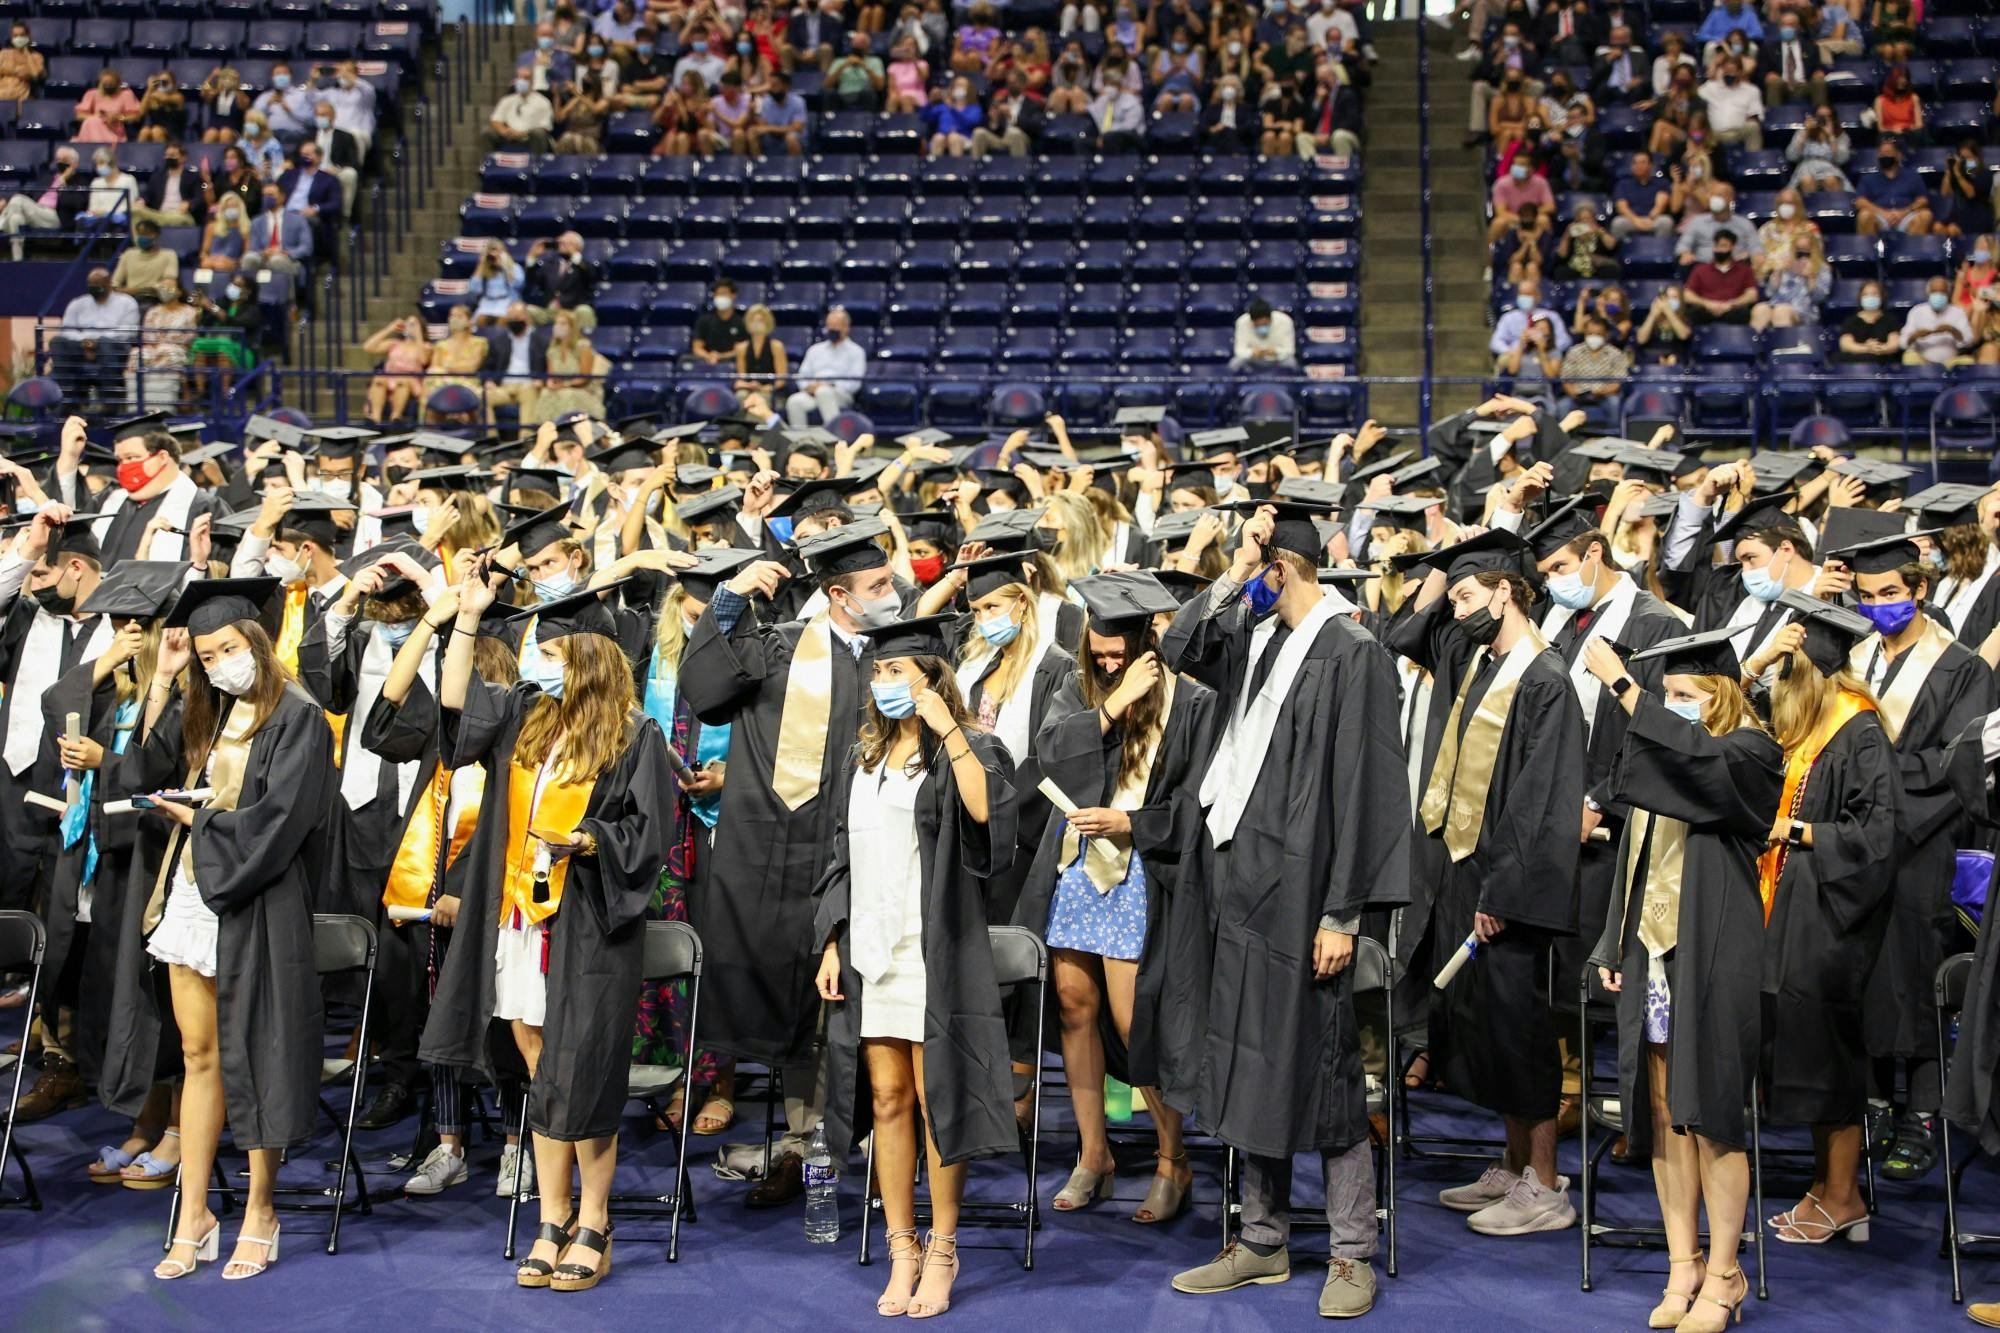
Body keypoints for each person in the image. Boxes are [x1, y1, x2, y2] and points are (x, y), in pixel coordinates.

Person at [1161, 502, 1412, 1317]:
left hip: (1308, 896)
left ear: (1290, 569)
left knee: (1326, 1065)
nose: (1255, 585)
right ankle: (1263, 1240)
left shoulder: (1353, 652)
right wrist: (1233, 569)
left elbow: (1369, 789)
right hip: (1240, 885)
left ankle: (1348, 1252)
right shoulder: (1259, 637)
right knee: (1248, 1062)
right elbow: (1180, 646)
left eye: (1264, 570)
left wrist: (1344, 913)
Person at [420, 575, 674, 1293]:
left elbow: (646, 833)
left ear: (588, 656)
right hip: (517, 919)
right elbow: (453, 705)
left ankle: (594, 1218)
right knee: (541, 1069)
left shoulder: (634, 733)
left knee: (578, 1072)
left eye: (553, 650)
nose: (540, 661)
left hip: (585, 926)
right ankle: (551, 1214)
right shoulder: (527, 716)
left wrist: (587, 840)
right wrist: (466, 622)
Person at [677, 520, 905, 1206]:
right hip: (785, 862)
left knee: (873, 1004)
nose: (891, 595)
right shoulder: (777, 649)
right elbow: (705, 689)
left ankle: (879, 1145)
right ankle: (813, 1147)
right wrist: (726, 603)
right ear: (838, 594)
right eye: (878, 586)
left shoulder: (900, 661)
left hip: (880, 858)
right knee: (810, 1011)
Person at [813, 613, 1016, 1319]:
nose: (884, 683)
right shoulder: (861, 755)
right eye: (879, 672)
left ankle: (944, 1247)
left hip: (934, 953)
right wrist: (832, 939)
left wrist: (949, 726)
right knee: (891, 1101)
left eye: (898, 672)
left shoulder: (969, 747)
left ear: (932, 678)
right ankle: (901, 1243)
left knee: (938, 1103)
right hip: (871, 951)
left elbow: (986, 812)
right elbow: (837, 851)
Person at [1583, 628, 1783, 1333]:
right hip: (1651, 951)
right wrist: (1613, 937)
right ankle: (1683, 1264)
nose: (1673, 707)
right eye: (1667, 695)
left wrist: (1625, 687)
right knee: (1665, 1111)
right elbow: (1635, 850)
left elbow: (1699, 764)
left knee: (1713, 1113)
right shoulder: (1663, 751)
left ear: (1721, 697)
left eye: (1686, 696)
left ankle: (1726, 1273)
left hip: (1714, 950)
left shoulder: (1752, 754)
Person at [1388, 529, 1585, 1238]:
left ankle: (1546, 1182)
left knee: (1521, 1032)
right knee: (1487, 1032)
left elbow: (1541, 803)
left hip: (1508, 891)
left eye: (1472, 594)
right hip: (1460, 874)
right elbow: (1405, 632)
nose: (1460, 609)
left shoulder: (1545, 680)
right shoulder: (1475, 660)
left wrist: (1501, 893)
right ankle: (1511, 1164)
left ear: (1508, 591)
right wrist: (1446, 568)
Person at [136, 577, 332, 1282]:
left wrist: (202, 822)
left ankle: (259, 1209)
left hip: (257, 897)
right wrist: (162, 684)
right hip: (192, 892)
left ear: (257, 641)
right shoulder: (209, 713)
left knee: (256, 1054)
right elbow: (145, 766)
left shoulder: (299, 716)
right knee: (198, 1054)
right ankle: (194, 1213)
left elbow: (284, 823)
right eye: (207, 654)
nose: (218, 662)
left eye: (228, 648)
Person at [1015, 571, 1215, 1220]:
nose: (1106, 663)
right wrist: (1109, 705)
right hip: (1075, 869)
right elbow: (1050, 756)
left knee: (1137, 1022)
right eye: (1098, 654)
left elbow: (1201, 801)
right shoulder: (1079, 689)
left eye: (1117, 656)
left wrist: (1134, 822)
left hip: (1141, 872)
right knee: (1074, 1005)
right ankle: (1093, 1152)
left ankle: (1170, 1157)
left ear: (1145, 643)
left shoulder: (1190, 700)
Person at [1736, 595, 1897, 1247]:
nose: (1777, 689)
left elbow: (1879, 834)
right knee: (1806, 1052)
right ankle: (1826, 1186)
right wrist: (1753, 663)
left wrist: (1795, 831)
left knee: (1832, 1058)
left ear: (1808, 676)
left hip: (1833, 925)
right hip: (1794, 916)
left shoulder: (1857, 731)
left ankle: (1844, 1195)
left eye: (1784, 675)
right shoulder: (1806, 729)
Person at [1838, 531, 1994, 1183]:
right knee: (1860, 971)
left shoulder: (1962, 667)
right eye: (1868, 596)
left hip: (1921, 846)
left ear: (1920, 589)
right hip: (1856, 848)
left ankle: (1923, 1111)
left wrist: (1887, 807)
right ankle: (1873, 1102)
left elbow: (1958, 764)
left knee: (1918, 972)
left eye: (1892, 594)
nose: (1880, 606)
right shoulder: (1852, 658)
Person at [52, 267, 141, 406]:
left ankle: (109, 403)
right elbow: (67, 329)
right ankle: (68, 402)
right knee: (57, 342)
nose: (95, 288)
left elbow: (127, 332)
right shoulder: (78, 303)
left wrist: (97, 342)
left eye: (98, 284)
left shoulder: (127, 303)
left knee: (106, 344)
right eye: (91, 285)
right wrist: (85, 342)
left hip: (115, 347)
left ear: (109, 283)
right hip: (81, 346)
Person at [785, 308, 866, 429]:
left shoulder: (856, 351)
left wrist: (830, 385)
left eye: (835, 326)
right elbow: (802, 375)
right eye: (829, 325)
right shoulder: (815, 350)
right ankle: (801, 440)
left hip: (840, 394)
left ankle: (836, 439)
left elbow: (855, 383)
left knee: (824, 392)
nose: (831, 329)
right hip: (812, 392)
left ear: (846, 328)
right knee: (794, 401)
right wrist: (808, 386)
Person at [0, 146, 83, 261]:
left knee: (18, 199)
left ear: (74, 164)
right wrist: (6, 201)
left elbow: (77, 203)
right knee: (15, 219)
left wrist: (62, 181)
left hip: (55, 217)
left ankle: (1, 224)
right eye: (58, 160)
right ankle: (17, 261)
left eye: (64, 160)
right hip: (36, 213)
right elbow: (28, 192)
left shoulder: (80, 182)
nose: (60, 163)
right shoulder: (48, 178)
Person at [1750, 231, 1830, 332]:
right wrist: (1778, 271)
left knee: (1782, 311)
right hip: (1776, 304)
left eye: (1805, 250)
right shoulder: (1786, 264)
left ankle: (1784, 346)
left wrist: (1810, 277)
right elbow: (1769, 292)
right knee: (1760, 309)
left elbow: (1819, 297)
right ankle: (1756, 346)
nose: (1802, 254)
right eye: (1798, 249)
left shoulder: (1822, 268)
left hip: (1803, 310)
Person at [535, 313, 605, 424]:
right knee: (545, 393)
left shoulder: (583, 346)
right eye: (556, 323)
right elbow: (551, 375)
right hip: (561, 387)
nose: (558, 327)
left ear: (572, 327)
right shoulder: (552, 350)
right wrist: (550, 383)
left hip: (583, 390)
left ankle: (568, 432)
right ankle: (548, 433)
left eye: (562, 323)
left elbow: (584, 377)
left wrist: (565, 385)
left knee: (567, 395)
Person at [362, 317, 431, 424]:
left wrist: (418, 336)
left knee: (402, 381)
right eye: (408, 323)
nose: (410, 327)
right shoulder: (395, 344)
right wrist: (389, 329)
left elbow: (423, 360)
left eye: (413, 324)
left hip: (411, 381)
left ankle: (396, 417)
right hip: (390, 377)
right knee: (379, 379)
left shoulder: (425, 346)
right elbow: (368, 347)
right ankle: (375, 418)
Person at [1682, 230, 1759, 326]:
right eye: (1717, 245)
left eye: (1723, 246)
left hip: (1733, 310)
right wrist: (1707, 304)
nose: (1719, 249)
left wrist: (1732, 304)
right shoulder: (1700, 269)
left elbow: (1752, 295)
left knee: (1742, 314)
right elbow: (1688, 295)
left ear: (1732, 247)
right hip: (1706, 310)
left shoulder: (1745, 270)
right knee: (1695, 313)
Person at [1856, 138, 1931, 237]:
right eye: (1881, 153)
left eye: (1887, 152)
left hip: (1905, 215)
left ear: (1898, 155)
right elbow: (1860, 201)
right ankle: (1870, 252)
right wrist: (1883, 213)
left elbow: (1923, 200)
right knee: (1864, 215)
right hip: (1880, 216)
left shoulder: (1913, 176)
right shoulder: (1868, 179)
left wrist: (1903, 212)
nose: (1884, 156)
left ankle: (1911, 251)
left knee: (1926, 215)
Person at [241, 183, 312, 282]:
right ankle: (249, 293)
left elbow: (306, 247)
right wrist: (264, 252)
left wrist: (286, 252)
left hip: (288, 260)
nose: (267, 198)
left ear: (282, 197)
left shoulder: (298, 220)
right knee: (249, 258)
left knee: (276, 260)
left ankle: (282, 296)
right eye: (264, 195)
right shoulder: (256, 222)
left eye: (270, 195)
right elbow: (253, 247)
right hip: (263, 258)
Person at [1903, 277, 1976, 367]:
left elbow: (1969, 341)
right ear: (1928, 293)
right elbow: (1902, 342)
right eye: (1934, 292)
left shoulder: (1958, 312)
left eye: (1942, 292)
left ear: (1948, 294)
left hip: (1951, 362)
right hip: (1923, 361)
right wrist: (1915, 336)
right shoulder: (1916, 311)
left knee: (1968, 361)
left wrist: (1954, 331)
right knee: (1909, 357)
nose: (1938, 295)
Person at [487, 69, 556, 154]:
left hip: (530, 137)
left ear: (532, 81)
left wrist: (523, 134)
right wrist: (504, 131)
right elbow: (495, 120)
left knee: (539, 134)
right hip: (508, 136)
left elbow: (545, 127)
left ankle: (537, 164)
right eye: (520, 78)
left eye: (526, 78)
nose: (522, 81)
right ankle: (489, 164)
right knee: (488, 132)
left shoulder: (543, 102)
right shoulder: (507, 100)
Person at [1786, 102, 1852, 191]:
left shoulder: (1840, 135)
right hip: (1806, 167)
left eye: (1828, 116)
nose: (1824, 120)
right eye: (1820, 116)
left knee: (1831, 180)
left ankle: (1834, 204)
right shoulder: (1803, 132)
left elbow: (1842, 159)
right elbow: (1791, 156)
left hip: (1829, 167)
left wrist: (1831, 136)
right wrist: (1805, 133)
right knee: (1807, 180)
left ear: (1833, 118)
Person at [1836, 280, 1902, 365]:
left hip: (1883, 358)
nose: (1870, 297)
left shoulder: (1890, 320)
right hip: (1857, 360)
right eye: (1866, 295)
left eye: (1874, 294)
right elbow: (1845, 344)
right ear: (1860, 298)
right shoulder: (1851, 321)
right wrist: (1867, 348)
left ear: (1881, 297)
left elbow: (1894, 344)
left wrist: (1880, 349)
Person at [1610, 150, 1672, 240]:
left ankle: (1661, 251)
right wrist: (1636, 220)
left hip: (1653, 219)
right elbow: (1622, 207)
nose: (1638, 166)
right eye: (1635, 163)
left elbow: (1660, 206)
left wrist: (1650, 219)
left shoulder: (1661, 183)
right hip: (1631, 219)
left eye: (1643, 162)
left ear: (1651, 165)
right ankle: (1621, 253)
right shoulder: (1623, 184)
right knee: (1618, 223)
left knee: (1666, 221)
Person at [111, 221, 178, 300]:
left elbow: (169, 283)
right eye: (140, 234)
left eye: (147, 234)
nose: (142, 237)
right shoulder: (129, 253)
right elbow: (115, 282)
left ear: (156, 235)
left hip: (153, 298)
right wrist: (119, 290)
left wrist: (136, 290)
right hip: (128, 298)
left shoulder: (169, 254)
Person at [76, 67, 142, 144]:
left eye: (111, 84)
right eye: (105, 84)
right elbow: (79, 116)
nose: (108, 86)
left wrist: (118, 118)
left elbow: (136, 116)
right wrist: (97, 117)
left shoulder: (126, 94)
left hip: (115, 129)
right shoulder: (91, 94)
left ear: (118, 83)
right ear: (100, 82)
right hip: (94, 126)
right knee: (91, 121)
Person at [733, 303, 787, 397]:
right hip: (749, 388)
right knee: (741, 395)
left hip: (770, 390)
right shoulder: (742, 348)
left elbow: (781, 380)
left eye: (760, 320)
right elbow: (741, 378)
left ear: (767, 323)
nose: (757, 323)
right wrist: (750, 385)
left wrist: (763, 388)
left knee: (760, 397)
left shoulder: (776, 346)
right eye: (753, 320)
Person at [691, 278, 747, 366]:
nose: (720, 297)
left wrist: (720, 357)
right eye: (717, 294)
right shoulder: (704, 320)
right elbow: (697, 348)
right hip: (707, 361)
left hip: (731, 362)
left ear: (733, 295)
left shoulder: (742, 322)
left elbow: (742, 349)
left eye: (724, 293)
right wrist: (709, 356)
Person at [1229, 299, 1297, 371]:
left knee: (1291, 363)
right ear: (1252, 321)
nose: (1261, 327)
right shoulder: (1242, 322)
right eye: (1257, 325)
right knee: (1234, 363)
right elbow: (1239, 351)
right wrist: (1252, 353)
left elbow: (1290, 350)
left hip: (1277, 358)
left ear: (1270, 318)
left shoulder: (1285, 321)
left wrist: (1276, 351)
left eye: (1265, 324)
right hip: (1252, 359)